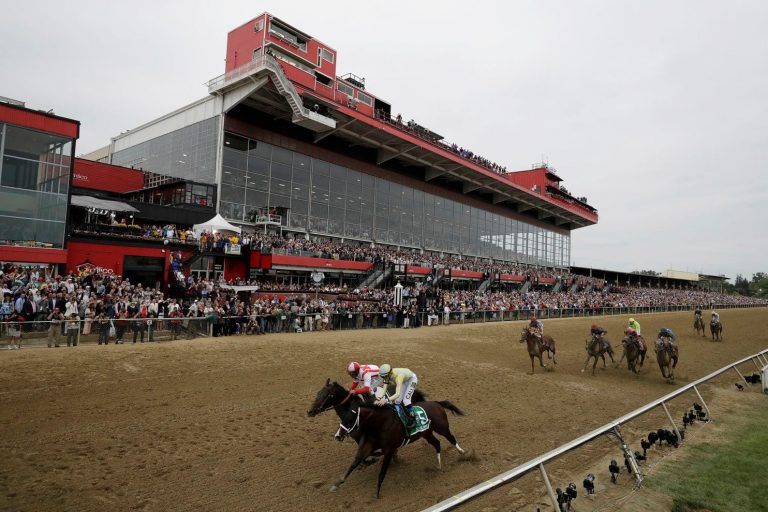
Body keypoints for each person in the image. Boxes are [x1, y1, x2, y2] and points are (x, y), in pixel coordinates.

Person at [375, 364, 418, 429]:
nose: (384, 378)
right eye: (383, 377)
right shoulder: (387, 376)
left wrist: (386, 400)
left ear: (389, 374)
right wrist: (379, 398)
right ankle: (403, 417)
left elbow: (397, 394)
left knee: (406, 401)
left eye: (385, 376)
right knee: (397, 401)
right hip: (404, 380)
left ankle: (414, 419)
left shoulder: (398, 377)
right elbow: (384, 388)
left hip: (412, 380)